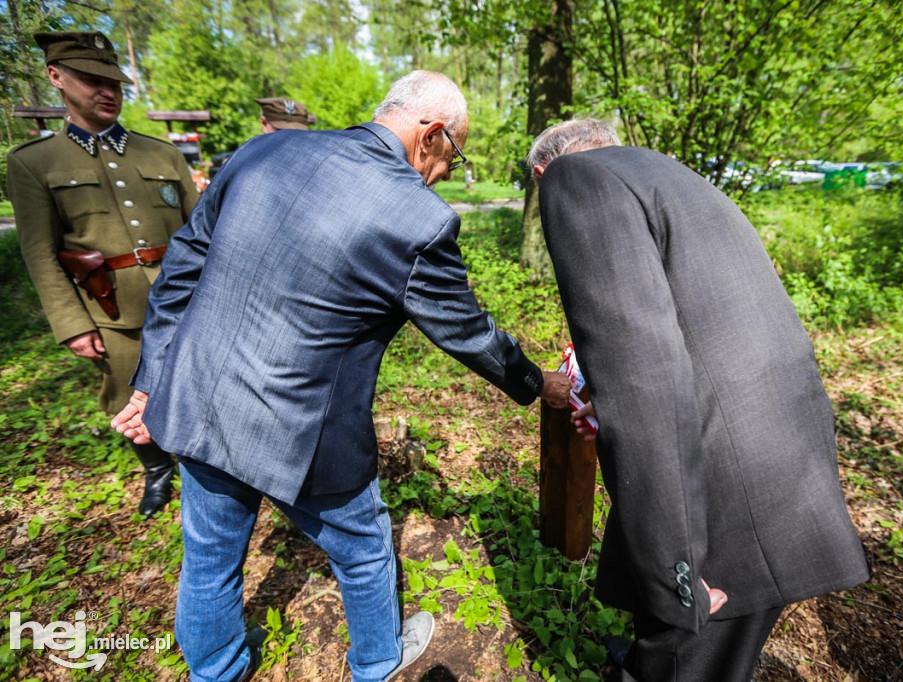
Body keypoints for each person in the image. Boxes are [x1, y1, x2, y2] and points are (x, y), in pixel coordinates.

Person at [111, 71, 572, 682]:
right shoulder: (417, 217)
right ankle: (378, 661)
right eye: (454, 155)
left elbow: (181, 268)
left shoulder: (264, 150)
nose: (446, 172)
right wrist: (539, 382)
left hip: (196, 397)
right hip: (300, 430)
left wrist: (153, 381)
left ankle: (215, 669)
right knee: (361, 547)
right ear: (430, 134)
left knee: (208, 559)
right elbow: (465, 331)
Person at [527, 119, 870, 682]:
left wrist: (675, 572)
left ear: (544, 172)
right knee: (677, 649)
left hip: (728, 502)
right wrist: (609, 407)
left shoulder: (574, 179)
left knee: (686, 661)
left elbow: (647, 383)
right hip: (782, 450)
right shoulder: (675, 175)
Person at [7, 31, 199, 519]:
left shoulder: (161, 155)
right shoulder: (35, 162)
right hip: (111, 308)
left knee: (201, 380)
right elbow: (39, 251)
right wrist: (71, 323)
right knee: (125, 392)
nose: (107, 91)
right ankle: (157, 469)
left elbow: (201, 232)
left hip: (184, 298)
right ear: (57, 77)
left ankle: (210, 465)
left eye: (113, 80)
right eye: (91, 80)